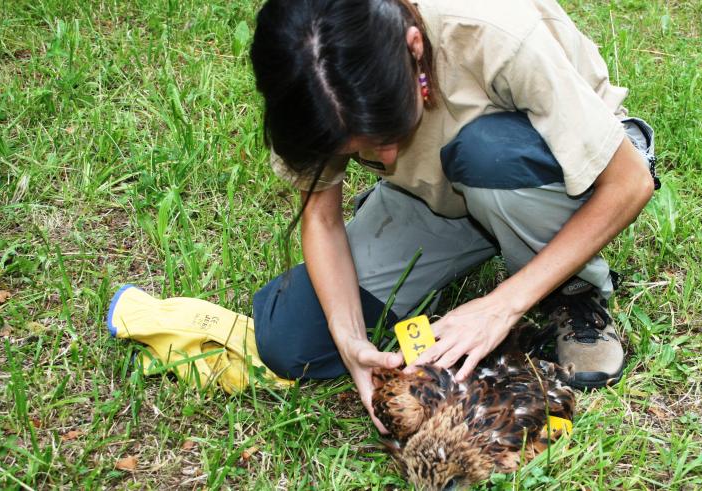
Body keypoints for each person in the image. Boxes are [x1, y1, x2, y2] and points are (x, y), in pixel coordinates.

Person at [248, 0, 658, 432]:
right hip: (435, 195)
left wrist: (501, 307)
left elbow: (630, 183)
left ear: (414, 46)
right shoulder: (305, 81)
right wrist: (350, 341)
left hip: (552, 174)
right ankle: (461, 237)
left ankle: (572, 292)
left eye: (389, 130)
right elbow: (321, 218)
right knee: (290, 340)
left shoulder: (495, 29)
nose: (384, 156)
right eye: (358, 150)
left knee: (486, 152)